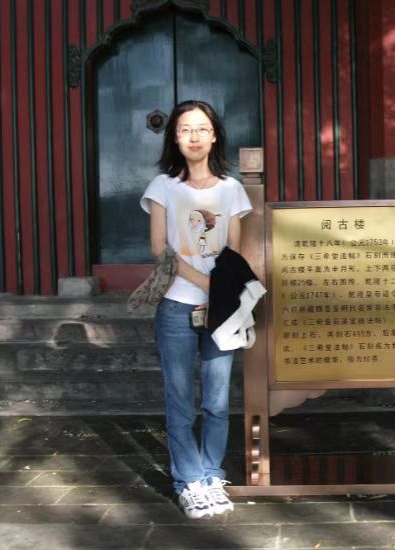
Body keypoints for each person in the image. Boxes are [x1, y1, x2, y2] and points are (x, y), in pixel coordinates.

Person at [140, 100, 252, 519]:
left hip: (221, 311)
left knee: (218, 400)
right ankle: (188, 481)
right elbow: (159, 248)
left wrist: (220, 290)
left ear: (214, 135)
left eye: (202, 128)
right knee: (180, 401)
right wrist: (206, 284)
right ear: (175, 137)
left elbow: (233, 253)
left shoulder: (231, 189)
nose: (194, 136)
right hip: (176, 306)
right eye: (185, 129)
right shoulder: (163, 186)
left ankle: (211, 474)